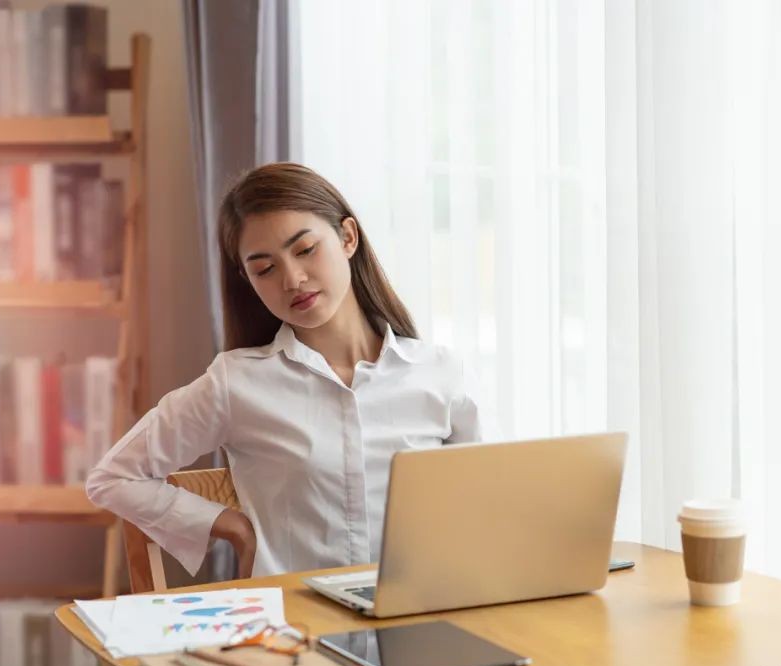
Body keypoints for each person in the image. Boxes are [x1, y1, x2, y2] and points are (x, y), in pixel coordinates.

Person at [86, 162, 491, 580]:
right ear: (248, 280)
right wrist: (234, 527)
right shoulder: (236, 383)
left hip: (418, 626)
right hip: (290, 634)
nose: (293, 279)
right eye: (265, 269)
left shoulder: (438, 373)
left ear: (348, 237)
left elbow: (484, 507)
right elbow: (113, 477)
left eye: (305, 250)